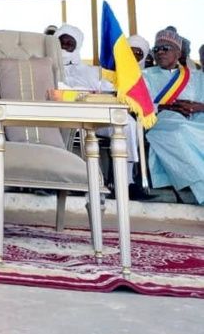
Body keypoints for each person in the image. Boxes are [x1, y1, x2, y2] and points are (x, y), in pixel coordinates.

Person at [54, 24, 146, 199]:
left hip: (94, 119)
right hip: (62, 119)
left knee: (126, 122)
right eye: (61, 42)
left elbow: (109, 90)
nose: (65, 45)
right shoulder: (48, 66)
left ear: (77, 46)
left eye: (69, 42)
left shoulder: (93, 72)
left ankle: (126, 183)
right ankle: (70, 180)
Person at [142, 29, 204, 204]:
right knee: (179, 130)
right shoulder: (145, 76)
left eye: (166, 48)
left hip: (196, 118)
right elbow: (138, 105)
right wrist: (165, 106)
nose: (160, 52)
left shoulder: (197, 76)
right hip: (163, 119)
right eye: (157, 49)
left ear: (178, 52)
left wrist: (196, 106)